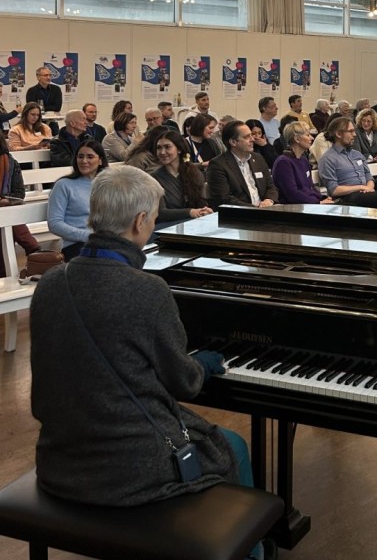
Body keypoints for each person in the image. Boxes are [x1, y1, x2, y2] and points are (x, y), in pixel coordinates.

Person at [30, 166, 268, 559]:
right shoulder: (145, 289)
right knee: (235, 447)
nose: (154, 224)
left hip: (60, 459)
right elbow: (185, 382)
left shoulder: (53, 282)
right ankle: (248, 551)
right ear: (140, 221)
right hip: (129, 470)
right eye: (155, 217)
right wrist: (205, 362)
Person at [316, 117, 377, 213]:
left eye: (354, 131)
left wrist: (369, 188)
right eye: (350, 131)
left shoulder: (357, 154)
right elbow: (333, 190)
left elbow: (369, 177)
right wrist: (361, 187)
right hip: (347, 198)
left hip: (366, 194)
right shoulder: (328, 158)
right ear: (338, 134)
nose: (354, 135)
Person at [0, 127, 40, 275]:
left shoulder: (10, 163)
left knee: (4, 222)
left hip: (3, 215)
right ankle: (34, 250)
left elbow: (19, 194)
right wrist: (0, 201)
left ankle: (2, 274)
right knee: (6, 217)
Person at [47, 138, 109, 261]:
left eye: (90, 157)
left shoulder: (108, 184)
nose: (84, 161)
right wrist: (89, 236)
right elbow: (54, 224)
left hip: (105, 242)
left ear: (100, 160)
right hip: (76, 245)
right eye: (80, 157)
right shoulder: (64, 185)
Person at [207, 120, 278, 209]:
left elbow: (271, 187)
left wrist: (269, 200)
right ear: (233, 142)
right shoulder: (218, 165)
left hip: (265, 210)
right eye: (246, 137)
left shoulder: (258, 158)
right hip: (239, 216)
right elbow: (224, 198)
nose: (252, 139)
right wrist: (255, 209)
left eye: (251, 135)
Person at [150, 130, 213, 225]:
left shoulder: (194, 172)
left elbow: (200, 201)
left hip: (193, 223)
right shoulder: (154, 178)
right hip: (167, 226)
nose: (162, 152)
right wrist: (190, 212)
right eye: (159, 148)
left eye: (167, 147)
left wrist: (204, 210)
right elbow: (161, 213)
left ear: (179, 149)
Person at [272, 122, 333, 205]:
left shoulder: (304, 160)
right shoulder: (283, 163)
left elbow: (310, 188)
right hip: (293, 210)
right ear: (297, 139)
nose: (311, 138)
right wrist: (318, 202)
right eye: (308, 135)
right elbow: (292, 195)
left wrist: (322, 197)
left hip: (308, 205)